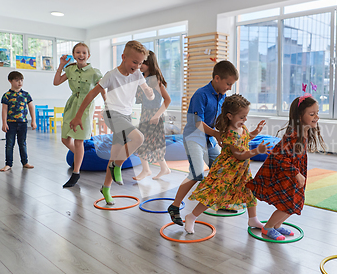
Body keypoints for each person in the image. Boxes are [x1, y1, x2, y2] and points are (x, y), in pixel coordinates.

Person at [70, 41, 155, 205]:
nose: (137, 66)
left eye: (140, 63)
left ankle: (106, 188)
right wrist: (78, 116)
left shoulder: (137, 74)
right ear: (123, 57)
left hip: (126, 116)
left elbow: (146, 91)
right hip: (111, 114)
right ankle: (117, 166)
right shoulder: (111, 75)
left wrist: (150, 93)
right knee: (138, 138)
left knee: (115, 154)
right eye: (134, 62)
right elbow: (91, 95)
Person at [183, 94, 269, 234]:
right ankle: (191, 216)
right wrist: (256, 151)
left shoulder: (241, 127)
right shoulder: (230, 133)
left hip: (242, 170)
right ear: (230, 116)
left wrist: (255, 132)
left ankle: (253, 218)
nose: (245, 119)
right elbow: (239, 155)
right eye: (242, 117)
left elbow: (246, 137)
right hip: (227, 170)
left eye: (246, 116)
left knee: (249, 190)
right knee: (214, 193)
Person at [167, 60, 238, 226]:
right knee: (197, 173)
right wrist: (215, 133)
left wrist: (226, 134)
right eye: (228, 84)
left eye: (232, 84)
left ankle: (221, 202)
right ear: (217, 78)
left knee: (222, 170)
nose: (229, 87)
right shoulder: (201, 94)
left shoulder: (222, 97)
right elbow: (197, 122)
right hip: (194, 137)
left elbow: (220, 120)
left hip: (209, 139)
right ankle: (174, 206)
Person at [246, 95, 325, 240]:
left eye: (317, 113)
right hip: (283, 172)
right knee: (289, 204)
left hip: (291, 171)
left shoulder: (305, 130)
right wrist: (297, 173)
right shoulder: (293, 135)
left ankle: (277, 225)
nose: (316, 117)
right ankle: (268, 227)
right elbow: (280, 157)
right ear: (300, 116)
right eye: (312, 114)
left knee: (296, 201)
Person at [53, 42, 104, 188]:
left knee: (78, 140)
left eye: (84, 53)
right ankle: (80, 156)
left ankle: (76, 173)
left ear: (88, 55)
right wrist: (61, 65)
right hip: (71, 104)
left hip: (86, 106)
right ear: (73, 54)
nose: (81, 55)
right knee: (64, 138)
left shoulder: (94, 72)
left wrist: (107, 104)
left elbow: (102, 88)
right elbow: (56, 82)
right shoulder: (70, 69)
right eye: (78, 52)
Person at [132, 51, 171, 180]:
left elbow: (167, 100)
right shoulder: (143, 79)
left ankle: (146, 170)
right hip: (145, 114)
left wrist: (156, 116)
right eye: (140, 62)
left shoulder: (154, 80)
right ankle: (164, 168)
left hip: (154, 116)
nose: (141, 64)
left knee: (142, 142)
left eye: (144, 62)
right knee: (153, 144)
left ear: (151, 64)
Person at [0, 71, 37, 172]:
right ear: (10, 81)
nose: (19, 82)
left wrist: (33, 120)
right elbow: (4, 110)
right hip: (11, 123)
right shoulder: (6, 95)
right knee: (9, 144)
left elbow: (31, 108)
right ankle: (8, 164)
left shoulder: (26, 95)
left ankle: (25, 162)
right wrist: (4, 123)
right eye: (16, 80)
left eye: (21, 80)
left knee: (23, 143)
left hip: (23, 123)